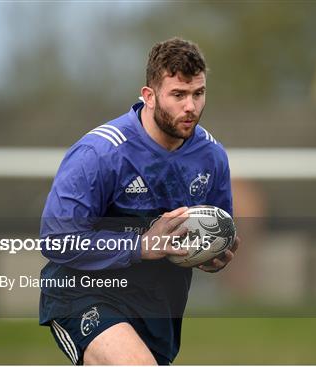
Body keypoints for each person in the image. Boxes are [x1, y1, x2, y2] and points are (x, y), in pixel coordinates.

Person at [39, 37, 240, 365]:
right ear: (149, 96)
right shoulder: (100, 154)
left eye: (198, 94)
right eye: (178, 94)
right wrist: (141, 245)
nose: (190, 106)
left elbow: (219, 226)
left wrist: (216, 253)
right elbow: (56, 239)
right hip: (85, 295)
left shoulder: (211, 157)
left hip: (159, 308)